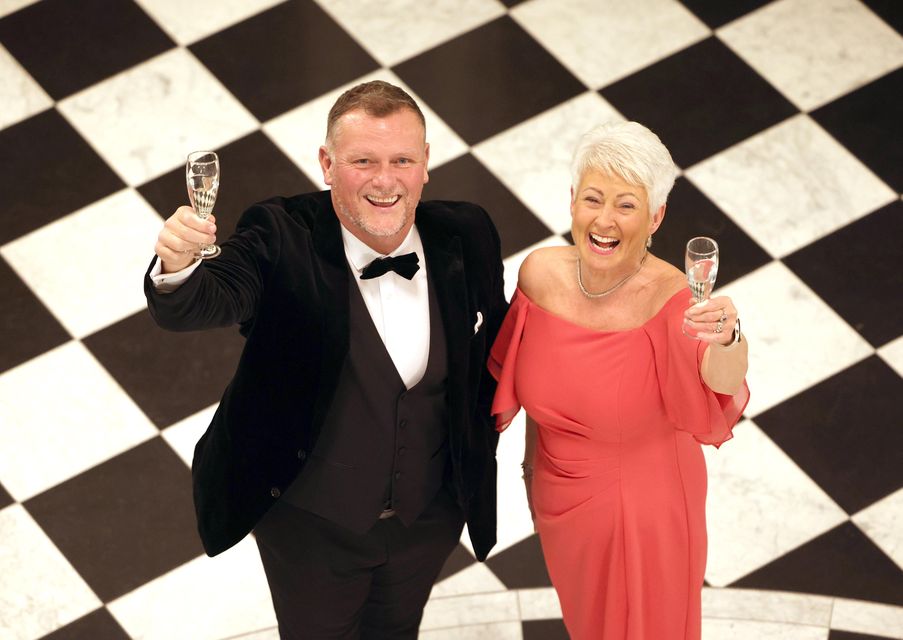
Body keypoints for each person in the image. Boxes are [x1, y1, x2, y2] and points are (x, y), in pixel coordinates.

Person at [144, 80, 508, 639]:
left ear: (426, 164)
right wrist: (178, 266)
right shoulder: (279, 235)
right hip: (311, 525)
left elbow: (498, 345)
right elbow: (201, 302)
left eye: (401, 160)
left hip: (428, 516)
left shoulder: (468, 232)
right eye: (363, 160)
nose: (385, 180)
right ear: (327, 164)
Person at [488, 121, 749, 639]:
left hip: (646, 509)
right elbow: (524, 390)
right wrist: (531, 476)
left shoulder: (671, 298)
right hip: (561, 501)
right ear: (571, 201)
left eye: (626, 205)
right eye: (593, 199)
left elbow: (718, 385)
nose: (605, 220)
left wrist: (729, 336)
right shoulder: (539, 276)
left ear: (656, 217)